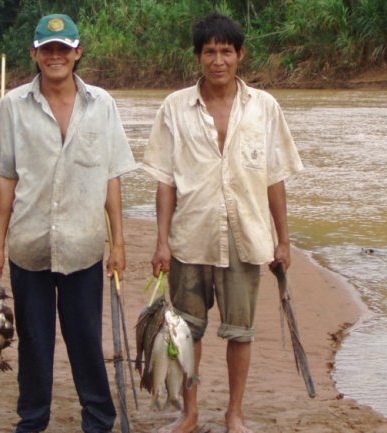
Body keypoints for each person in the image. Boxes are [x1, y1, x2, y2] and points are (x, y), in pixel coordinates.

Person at [142, 13, 304, 433]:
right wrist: (161, 242)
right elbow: (164, 183)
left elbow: (274, 178)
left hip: (245, 236)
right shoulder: (174, 107)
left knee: (240, 331)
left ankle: (235, 413)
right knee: (185, 331)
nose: (218, 60)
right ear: (198, 57)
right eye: (210, 52)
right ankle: (189, 413)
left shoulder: (264, 107)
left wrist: (283, 241)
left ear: (240, 55)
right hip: (189, 237)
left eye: (226, 52)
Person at [0, 13, 136, 433]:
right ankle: (32, 422)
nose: (56, 57)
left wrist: (119, 243)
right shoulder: (13, 106)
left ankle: (99, 421)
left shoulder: (102, 104)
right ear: (34, 54)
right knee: (35, 345)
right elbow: (7, 180)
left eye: (64, 49)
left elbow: (111, 177)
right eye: (48, 50)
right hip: (29, 247)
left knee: (86, 342)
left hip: (84, 247)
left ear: (77, 53)